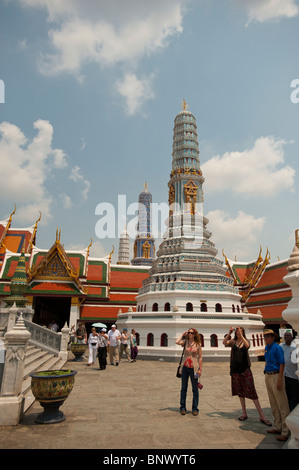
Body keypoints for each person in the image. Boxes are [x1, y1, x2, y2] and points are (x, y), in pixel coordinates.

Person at [223, 326, 271, 425]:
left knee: (252, 391)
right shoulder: (233, 342)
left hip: (245, 369)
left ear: (243, 332)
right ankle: (244, 413)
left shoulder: (245, 341)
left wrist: (242, 336)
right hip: (235, 370)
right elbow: (224, 343)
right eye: (237, 331)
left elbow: (247, 345)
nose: (238, 333)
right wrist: (229, 333)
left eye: (240, 331)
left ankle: (262, 415)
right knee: (240, 392)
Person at [263, 329, 290, 441]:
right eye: (265, 336)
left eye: (268, 336)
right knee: (273, 403)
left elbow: (282, 363)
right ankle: (277, 426)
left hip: (276, 375)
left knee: (282, 404)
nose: (266, 338)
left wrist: (279, 380)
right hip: (268, 375)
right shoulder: (267, 348)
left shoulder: (277, 347)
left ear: (273, 337)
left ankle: (286, 431)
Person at [175, 328, 202, 416]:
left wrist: (200, 369)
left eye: (191, 333)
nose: (190, 334)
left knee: (195, 389)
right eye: (189, 332)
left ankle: (195, 408)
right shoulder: (185, 342)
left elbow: (200, 357)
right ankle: (182, 407)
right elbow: (177, 342)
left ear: (195, 334)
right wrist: (183, 334)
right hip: (185, 368)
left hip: (194, 368)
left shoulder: (198, 344)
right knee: (183, 388)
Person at [281, 331, 299, 411]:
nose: (287, 337)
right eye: (285, 335)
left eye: (288, 335)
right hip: (285, 375)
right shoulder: (281, 346)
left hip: (294, 376)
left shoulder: (295, 346)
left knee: (294, 397)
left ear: (292, 337)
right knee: (286, 395)